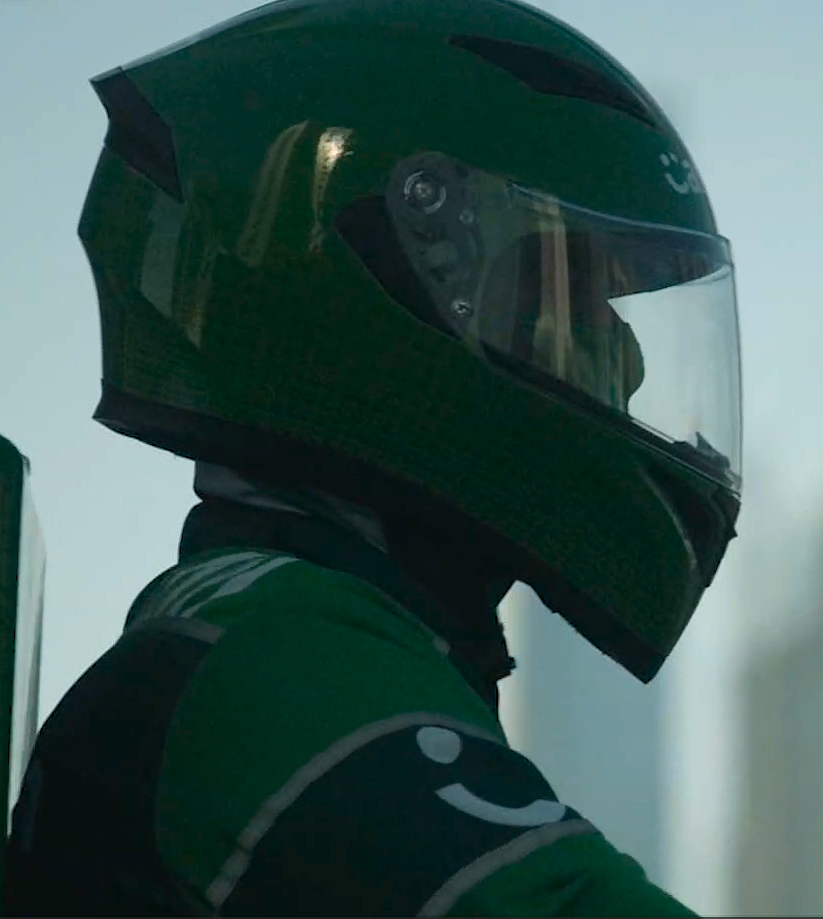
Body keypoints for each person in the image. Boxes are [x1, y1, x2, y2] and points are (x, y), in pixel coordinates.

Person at [3, 0, 742, 914]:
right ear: (401, 269)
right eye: (573, 294)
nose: (625, 361)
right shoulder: (275, 666)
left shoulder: (268, 634)